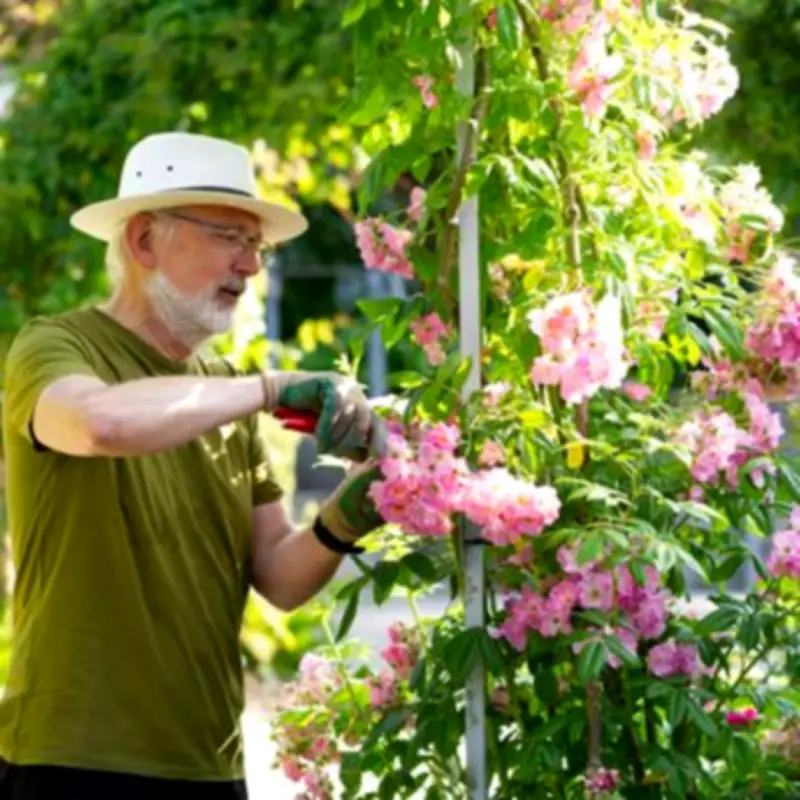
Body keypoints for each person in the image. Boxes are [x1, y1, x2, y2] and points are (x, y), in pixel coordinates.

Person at [0, 131, 385, 799]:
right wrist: (269, 387)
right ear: (144, 240)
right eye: (229, 237)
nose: (252, 265)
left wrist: (353, 508)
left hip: (210, 764)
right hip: (70, 761)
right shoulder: (55, 347)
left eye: (257, 245)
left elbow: (279, 577)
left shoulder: (225, 390)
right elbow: (97, 423)